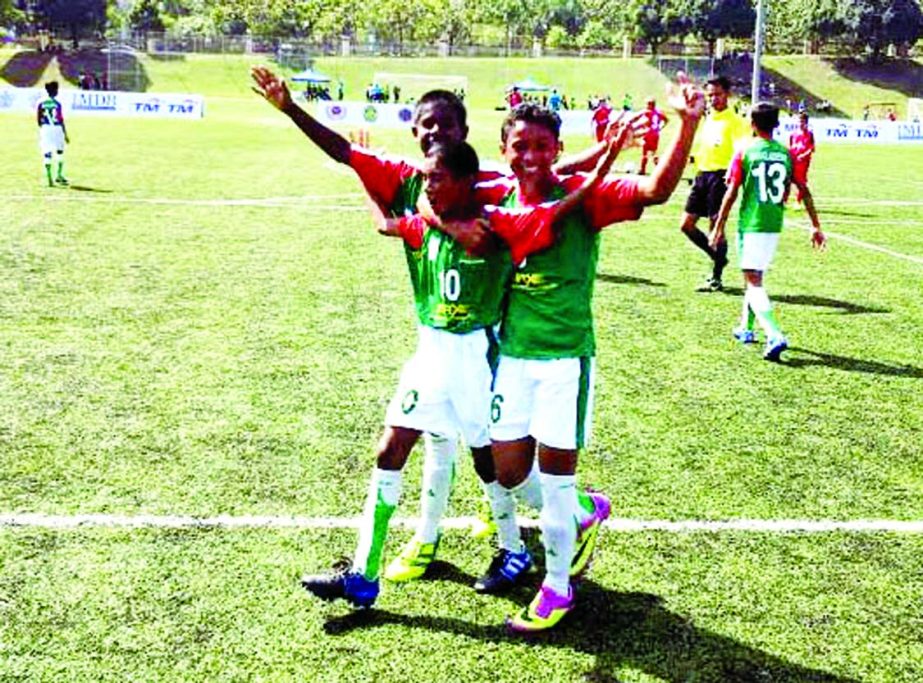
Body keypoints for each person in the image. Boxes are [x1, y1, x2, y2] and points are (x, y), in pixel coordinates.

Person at [251, 66, 560, 608]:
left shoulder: (490, 196)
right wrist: (292, 109)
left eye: (444, 126)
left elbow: (526, 199)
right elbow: (356, 170)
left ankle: (518, 543)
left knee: (490, 459)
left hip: (478, 348)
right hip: (430, 349)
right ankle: (366, 575)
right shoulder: (414, 189)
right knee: (392, 447)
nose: (433, 135)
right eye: (424, 127)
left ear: (464, 137)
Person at [476, 78, 704, 633]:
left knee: (553, 482)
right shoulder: (497, 197)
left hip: (565, 362)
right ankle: (585, 510)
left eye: (540, 146)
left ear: (556, 150)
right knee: (507, 474)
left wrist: (687, 123)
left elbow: (654, 191)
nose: (529, 155)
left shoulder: (586, 194)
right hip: (512, 358)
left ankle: (557, 587)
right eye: (519, 146)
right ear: (505, 150)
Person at [710, 102, 826, 362]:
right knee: (754, 276)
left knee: (752, 280)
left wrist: (719, 226)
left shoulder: (745, 151)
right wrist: (815, 225)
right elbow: (803, 190)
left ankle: (774, 334)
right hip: (774, 223)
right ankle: (746, 328)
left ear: (752, 123)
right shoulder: (786, 153)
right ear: (776, 125)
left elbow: (731, 192)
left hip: (752, 223)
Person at [679, 75, 750, 292]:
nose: (713, 99)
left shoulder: (737, 122)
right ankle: (719, 258)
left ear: (727, 94)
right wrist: (689, 159)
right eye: (710, 95)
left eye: (717, 94)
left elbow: (742, 153)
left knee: (715, 229)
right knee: (686, 225)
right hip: (702, 175)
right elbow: (708, 148)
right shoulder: (709, 119)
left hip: (721, 177)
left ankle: (716, 276)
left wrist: (734, 179)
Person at [36, 81, 69, 187]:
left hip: (46, 129)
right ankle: (59, 175)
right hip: (57, 128)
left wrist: (43, 128)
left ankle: (49, 178)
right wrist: (65, 133)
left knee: (47, 153)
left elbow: (38, 118)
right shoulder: (57, 104)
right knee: (59, 152)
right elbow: (60, 119)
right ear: (55, 91)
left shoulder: (41, 103)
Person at [788, 112, 815, 206]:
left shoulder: (809, 134)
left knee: (801, 182)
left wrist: (803, 155)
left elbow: (812, 149)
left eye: (802, 121)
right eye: (799, 121)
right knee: (788, 180)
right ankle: (784, 200)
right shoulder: (793, 134)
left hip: (803, 162)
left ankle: (798, 201)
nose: (800, 123)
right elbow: (791, 146)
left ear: (806, 122)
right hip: (793, 161)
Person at [639, 97, 669, 175]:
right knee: (654, 153)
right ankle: (660, 170)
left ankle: (642, 170)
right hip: (655, 134)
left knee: (644, 153)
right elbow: (666, 120)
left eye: (647, 104)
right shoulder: (659, 112)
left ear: (650, 105)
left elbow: (644, 122)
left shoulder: (647, 112)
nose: (646, 106)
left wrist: (643, 127)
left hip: (648, 134)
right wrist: (660, 127)